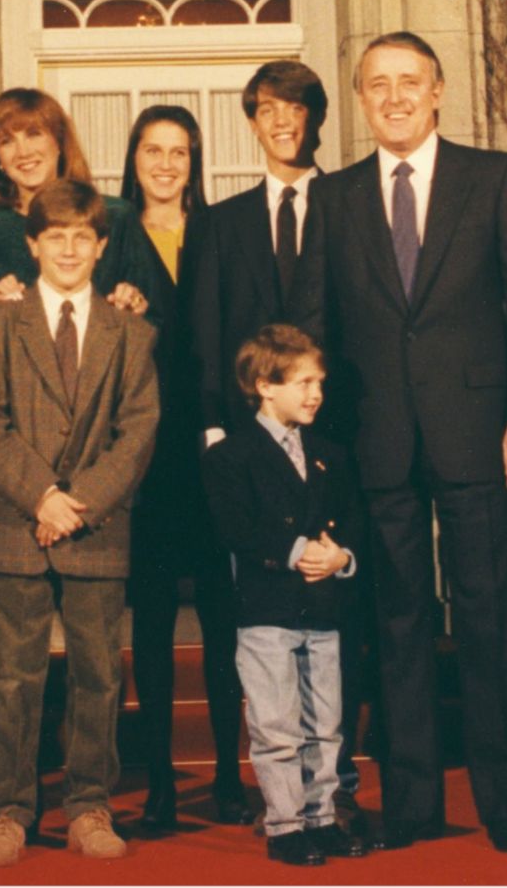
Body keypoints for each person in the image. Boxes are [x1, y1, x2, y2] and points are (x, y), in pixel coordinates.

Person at [294, 32, 507, 854]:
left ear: (439, 91)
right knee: (396, 624)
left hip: (480, 435)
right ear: (363, 99)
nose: (396, 97)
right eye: (379, 85)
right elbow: (314, 326)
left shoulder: (495, 178)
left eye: (410, 82)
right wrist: (321, 444)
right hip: (377, 443)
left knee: (491, 618)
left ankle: (505, 802)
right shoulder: (333, 198)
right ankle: (409, 804)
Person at [0, 180, 159, 867]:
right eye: (56, 237)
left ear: (102, 246)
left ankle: (89, 803)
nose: (70, 249)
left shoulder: (131, 331)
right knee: (14, 676)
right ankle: (9, 809)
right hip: (18, 520)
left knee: (99, 672)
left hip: (96, 526)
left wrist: (79, 503)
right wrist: (42, 494)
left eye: (83, 237)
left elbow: (138, 429)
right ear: (33, 244)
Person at [187, 59, 335, 826]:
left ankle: (328, 793)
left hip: (331, 438)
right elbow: (207, 329)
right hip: (249, 447)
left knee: (335, 617)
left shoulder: (346, 204)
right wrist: (218, 428)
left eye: (297, 108)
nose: (283, 121)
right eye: (269, 110)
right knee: (257, 614)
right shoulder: (221, 221)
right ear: (252, 121)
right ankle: (261, 784)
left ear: (314, 118)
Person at [201, 325, 369, 867]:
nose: (316, 393)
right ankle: (285, 824)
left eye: (319, 381)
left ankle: (321, 818)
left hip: (323, 610)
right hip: (267, 611)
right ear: (263, 385)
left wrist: (341, 556)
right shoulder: (231, 455)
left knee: (325, 725)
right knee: (276, 726)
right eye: (302, 382)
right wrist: (300, 550)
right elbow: (238, 529)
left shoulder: (329, 453)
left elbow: (354, 522)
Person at [116, 104, 213, 830]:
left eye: (179, 151)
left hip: (213, 455)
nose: (166, 164)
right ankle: (158, 785)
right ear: (134, 157)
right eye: (154, 149)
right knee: (150, 623)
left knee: (227, 620)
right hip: (143, 459)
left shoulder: (219, 232)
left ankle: (233, 781)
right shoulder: (112, 239)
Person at [0, 87, 166, 324]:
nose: (23, 151)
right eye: (7, 141)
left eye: (34, 134)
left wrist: (136, 309)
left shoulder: (115, 218)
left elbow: (160, 318)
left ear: (59, 142)